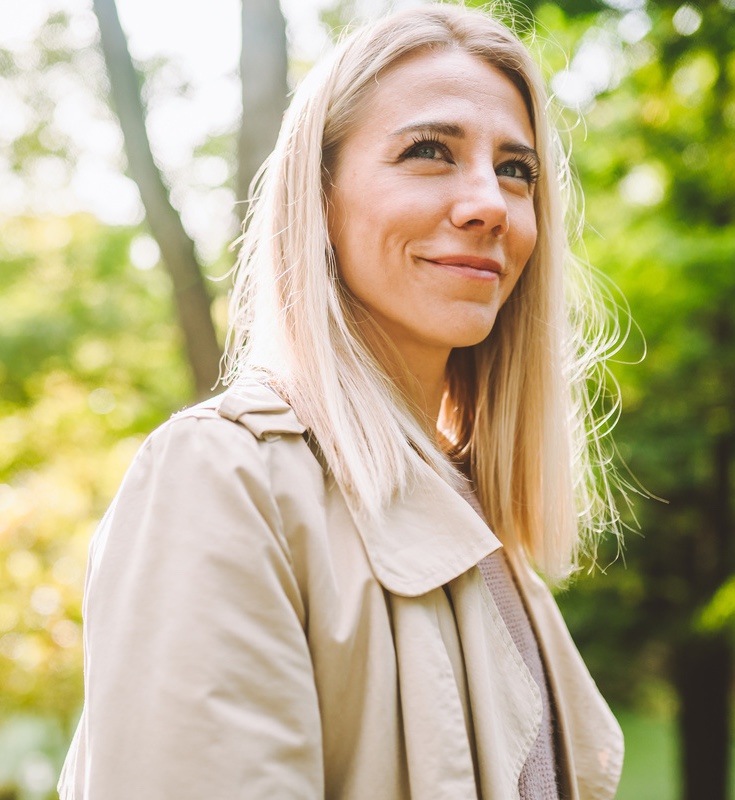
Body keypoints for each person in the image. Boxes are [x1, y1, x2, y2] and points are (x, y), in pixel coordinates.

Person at [59, 5, 625, 799]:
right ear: (318, 196)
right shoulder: (225, 481)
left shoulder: (484, 530)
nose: (489, 203)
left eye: (516, 169)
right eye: (428, 152)